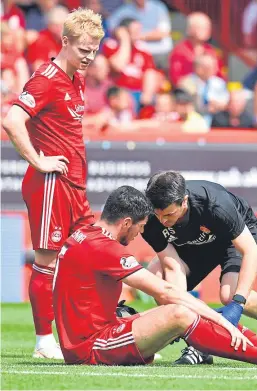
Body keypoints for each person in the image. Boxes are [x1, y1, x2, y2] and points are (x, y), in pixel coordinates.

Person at [52, 185, 257, 366]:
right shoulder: (106, 249)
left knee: (184, 309)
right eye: (140, 227)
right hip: (93, 345)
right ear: (126, 223)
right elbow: (166, 290)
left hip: (93, 335)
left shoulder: (83, 235)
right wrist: (221, 321)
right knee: (179, 313)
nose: (137, 235)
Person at [3, 7, 105, 359]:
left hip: (73, 187)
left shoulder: (75, 76)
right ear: (65, 41)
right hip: (50, 185)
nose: (90, 57)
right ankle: (43, 342)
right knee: (47, 262)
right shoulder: (46, 78)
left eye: (94, 50)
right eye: (83, 50)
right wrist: (38, 160)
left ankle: (84, 330)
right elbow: (12, 120)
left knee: (85, 257)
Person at [143, 171, 257, 365]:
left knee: (229, 294)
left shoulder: (216, 205)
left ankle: (201, 342)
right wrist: (178, 311)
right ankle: (201, 347)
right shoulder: (150, 218)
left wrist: (237, 304)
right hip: (197, 240)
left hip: (232, 238)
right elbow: (172, 265)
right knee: (157, 280)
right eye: (159, 215)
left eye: (169, 214)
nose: (163, 221)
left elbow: (250, 250)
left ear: (184, 202)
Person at [169, 12, 225, 87]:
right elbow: (176, 77)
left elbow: (219, 75)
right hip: (188, 90)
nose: (207, 30)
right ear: (190, 29)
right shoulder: (179, 50)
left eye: (208, 27)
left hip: (211, 89)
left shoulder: (211, 51)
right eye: (202, 27)